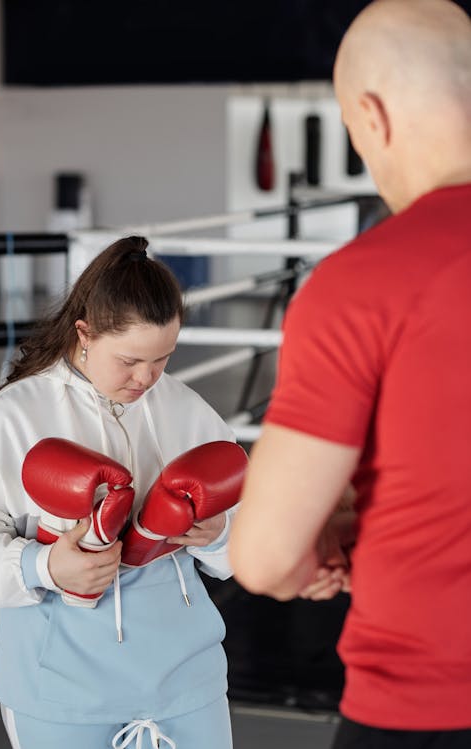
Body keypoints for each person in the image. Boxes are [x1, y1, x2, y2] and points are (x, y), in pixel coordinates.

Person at [229, 0, 471, 747]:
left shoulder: (365, 283)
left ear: (371, 116)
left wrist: (308, 532)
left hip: (429, 701)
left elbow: (265, 559)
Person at [0, 235, 240, 749]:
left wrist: (219, 532)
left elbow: (245, 540)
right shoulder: (15, 416)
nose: (146, 378)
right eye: (130, 360)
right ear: (85, 333)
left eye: (163, 358)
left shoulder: (185, 408)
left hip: (186, 682)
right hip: (61, 693)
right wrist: (42, 566)